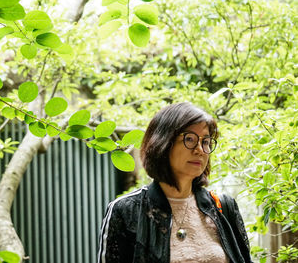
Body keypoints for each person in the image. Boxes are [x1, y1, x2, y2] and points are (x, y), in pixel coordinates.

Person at [97, 102, 252, 263]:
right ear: (163, 143)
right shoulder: (127, 210)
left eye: (205, 142)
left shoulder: (223, 207)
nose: (199, 149)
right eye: (189, 139)